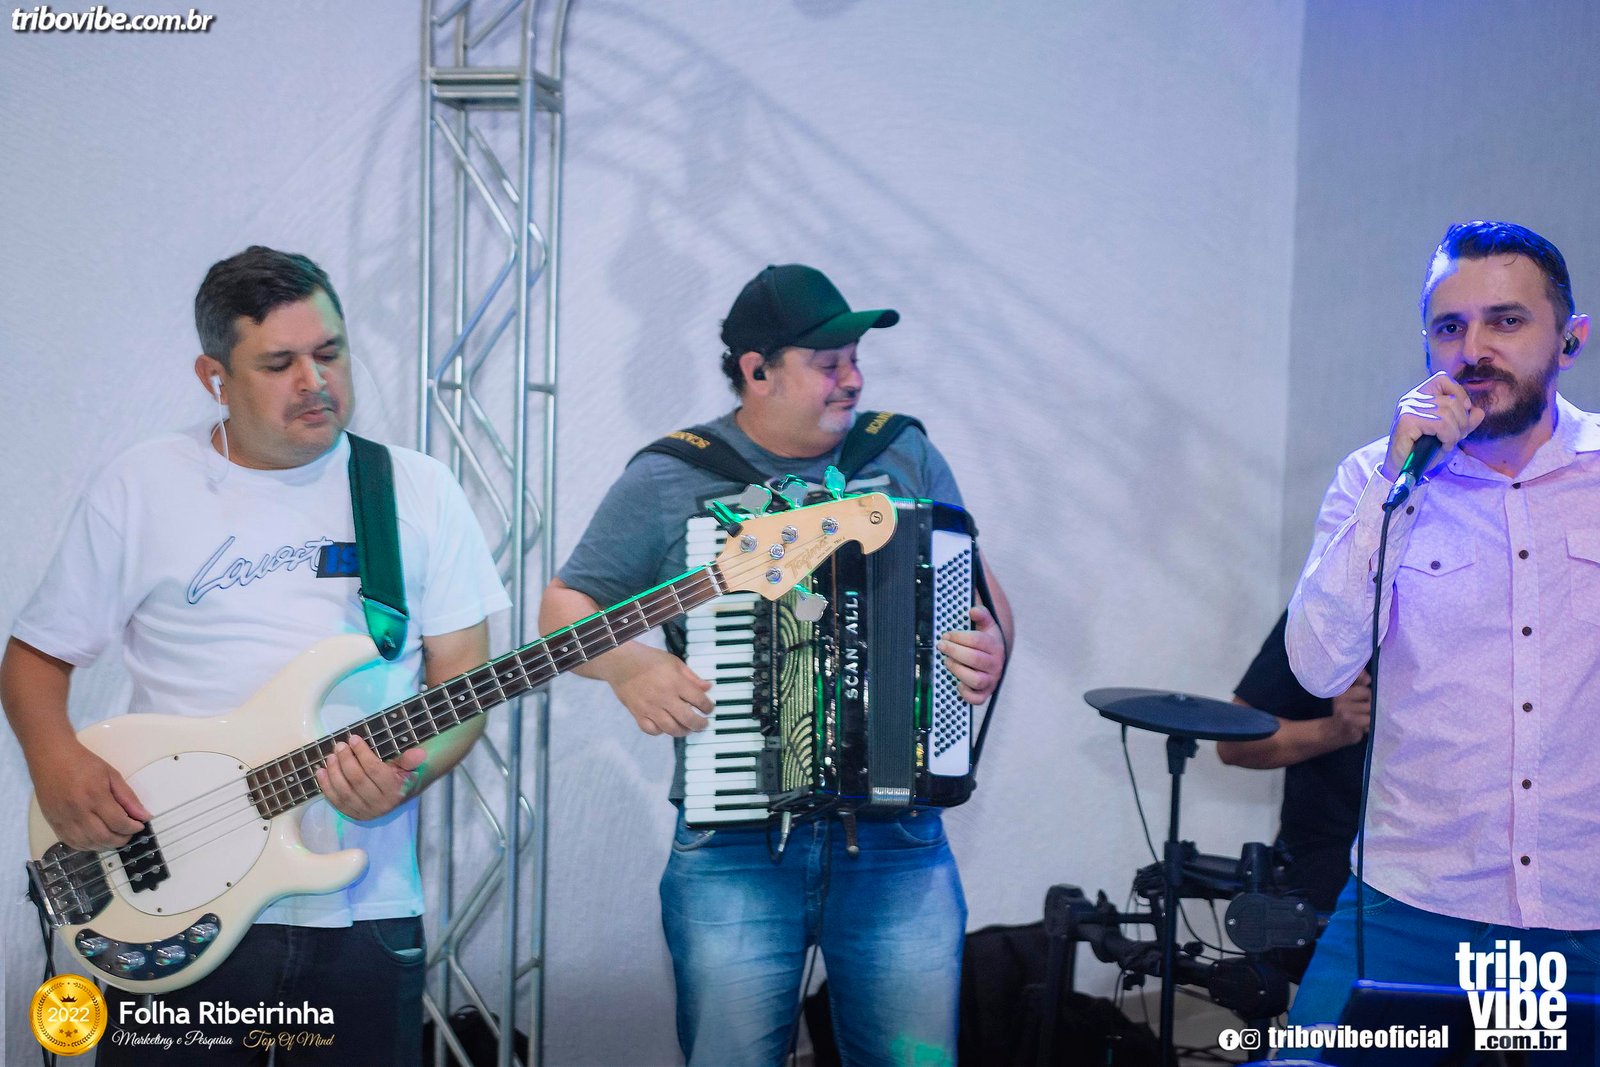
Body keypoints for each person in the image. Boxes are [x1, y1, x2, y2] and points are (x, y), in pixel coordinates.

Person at [1, 246, 509, 1064]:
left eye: (330, 352)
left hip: (363, 909)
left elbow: (465, 689)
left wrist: (407, 774)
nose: (315, 380)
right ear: (215, 376)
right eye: (279, 363)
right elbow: (33, 658)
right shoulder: (142, 484)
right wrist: (56, 762)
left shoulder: (417, 491)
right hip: (168, 895)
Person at [539, 264, 1013, 1067]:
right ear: (757, 371)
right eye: (828, 363)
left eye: (855, 359)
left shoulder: (904, 453)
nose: (853, 379)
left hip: (898, 841)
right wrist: (627, 665)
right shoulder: (673, 474)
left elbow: (984, 600)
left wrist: (988, 646)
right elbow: (563, 606)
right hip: (736, 846)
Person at [1283, 221, 1600, 1043]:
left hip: (1584, 912)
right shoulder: (1376, 475)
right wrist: (1400, 479)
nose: (1473, 350)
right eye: (1449, 326)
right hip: (1412, 901)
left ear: (1570, 340)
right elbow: (1318, 668)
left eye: (1506, 320)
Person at [1219, 611, 1369, 979]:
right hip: (1331, 866)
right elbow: (1235, 742)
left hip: (1459, 874)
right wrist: (1334, 731)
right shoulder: (1330, 609)